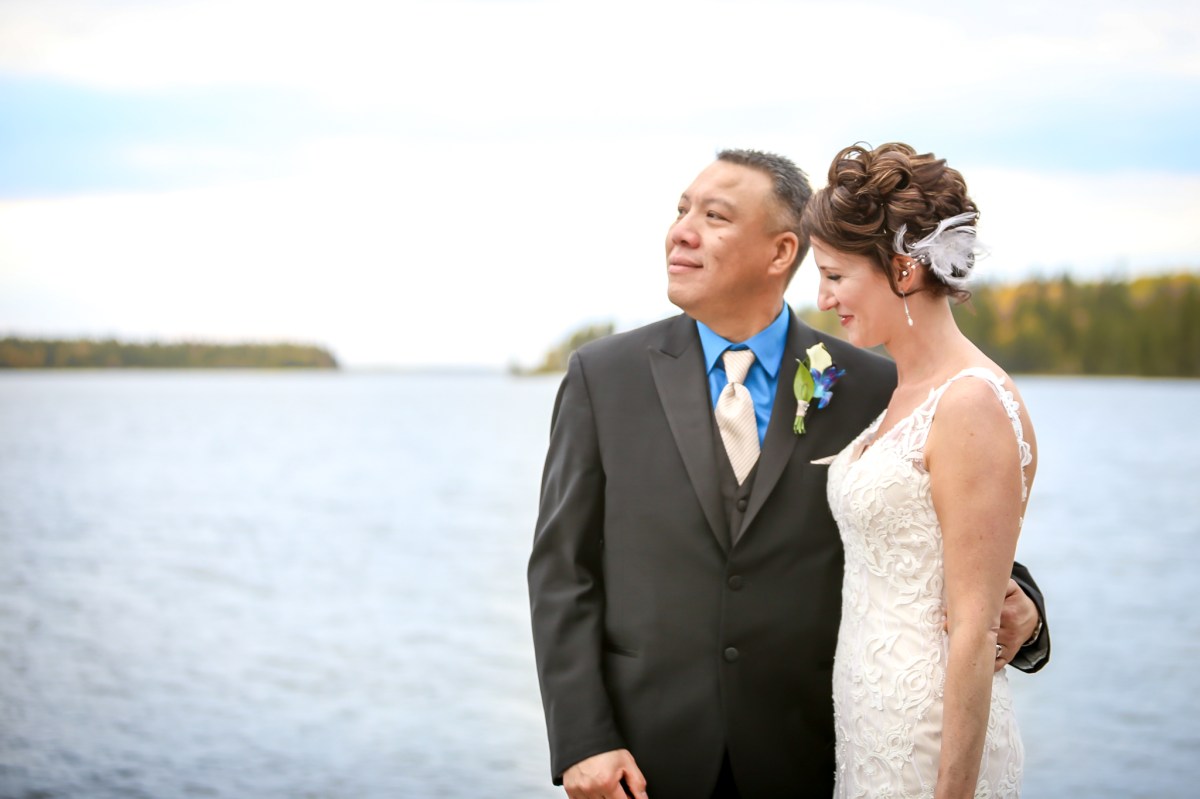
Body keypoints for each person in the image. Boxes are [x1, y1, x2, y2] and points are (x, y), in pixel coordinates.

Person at [528, 149, 1049, 799]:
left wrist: (1025, 606)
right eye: (681, 210)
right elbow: (563, 569)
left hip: (814, 756)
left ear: (781, 252)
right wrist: (583, 739)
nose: (681, 230)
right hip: (645, 762)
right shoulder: (603, 376)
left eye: (714, 216)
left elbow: (956, 532)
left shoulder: (873, 382)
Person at [802, 142, 1038, 797]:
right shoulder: (899, 391)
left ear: (903, 269)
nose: (822, 297)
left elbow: (975, 629)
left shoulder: (970, 401)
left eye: (835, 275)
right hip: (871, 722)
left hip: (929, 736)